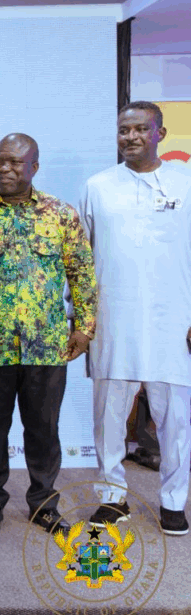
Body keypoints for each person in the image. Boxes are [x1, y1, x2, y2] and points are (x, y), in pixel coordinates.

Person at [0, 133, 96, 534]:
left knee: (43, 430)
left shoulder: (61, 214)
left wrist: (84, 327)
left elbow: (82, 273)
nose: (4, 169)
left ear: (34, 167)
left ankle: (44, 503)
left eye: (14, 162)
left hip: (47, 345)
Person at [79, 101, 191, 536]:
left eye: (141, 129)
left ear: (161, 133)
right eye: (124, 130)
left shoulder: (185, 183)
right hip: (114, 321)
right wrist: (82, 321)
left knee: (175, 422)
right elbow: (80, 261)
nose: (131, 137)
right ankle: (112, 498)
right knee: (108, 419)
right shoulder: (98, 186)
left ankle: (174, 502)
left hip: (174, 323)